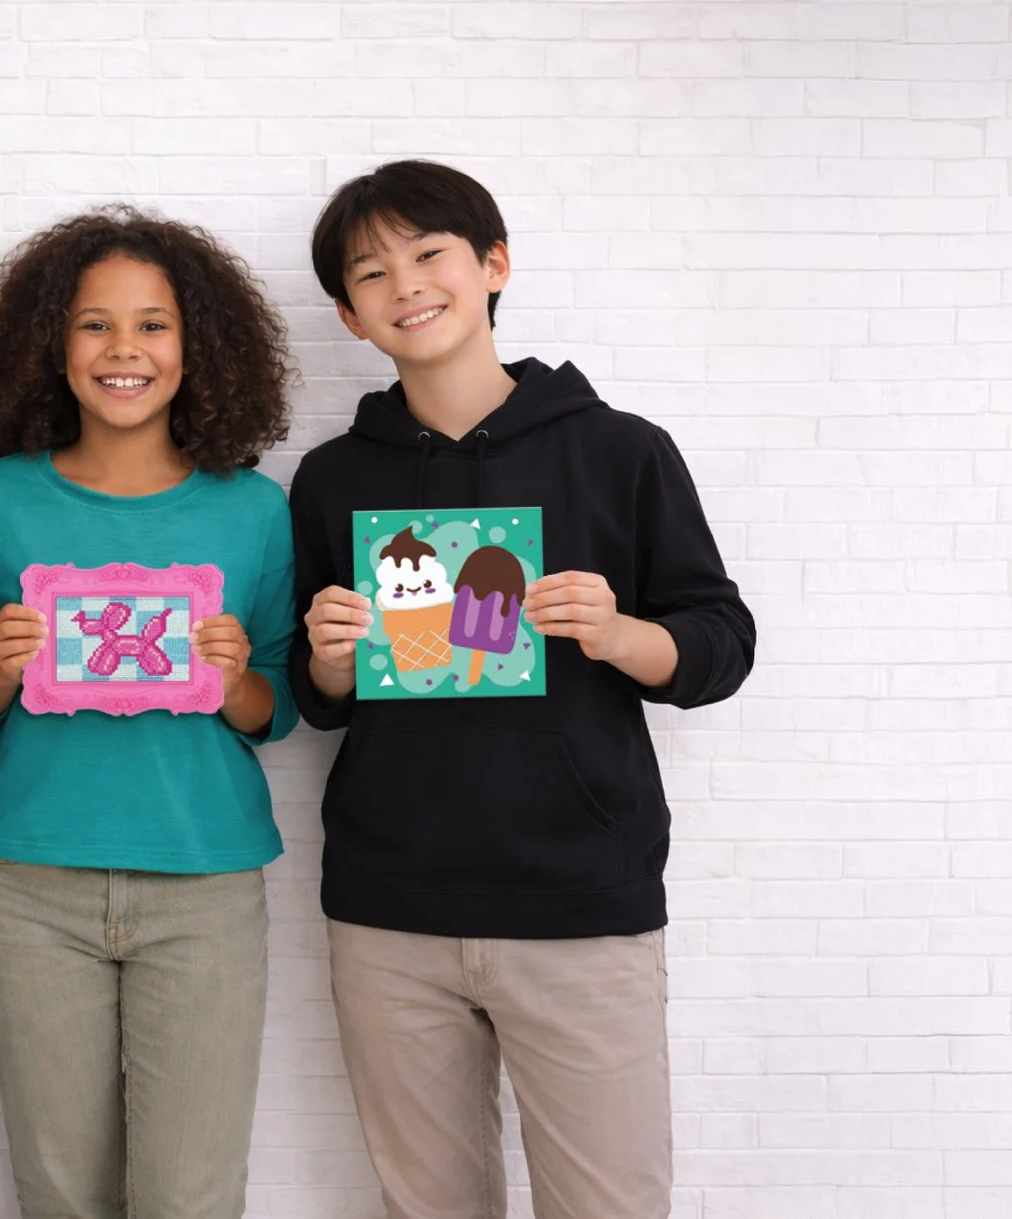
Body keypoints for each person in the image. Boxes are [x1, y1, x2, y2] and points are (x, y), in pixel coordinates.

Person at [290, 159, 759, 1218]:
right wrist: (327, 657)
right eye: (371, 272)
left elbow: (721, 645)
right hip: (390, 910)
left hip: (582, 902)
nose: (406, 284)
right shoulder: (333, 478)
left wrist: (618, 632)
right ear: (349, 315)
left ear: (493, 264)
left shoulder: (621, 452)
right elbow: (316, 699)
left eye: (429, 253)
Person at [0, 207, 299, 1218]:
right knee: (60, 1191)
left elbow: (278, 709)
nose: (123, 349)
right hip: (29, 883)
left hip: (205, 880)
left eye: (152, 324)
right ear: (52, 347)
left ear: (198, 346)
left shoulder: (252, 507)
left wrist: (237, 678)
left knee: (192, 1195)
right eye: (94, 324)